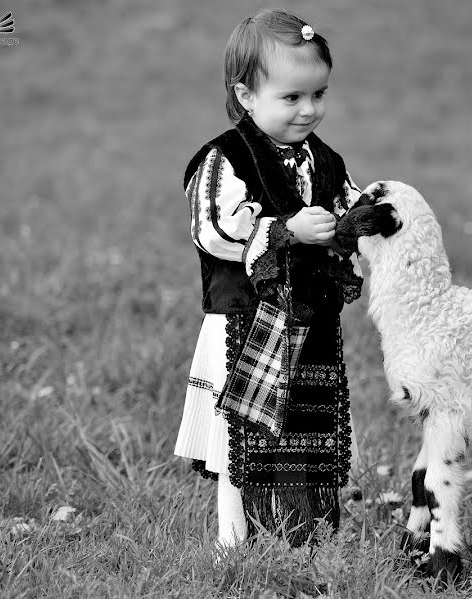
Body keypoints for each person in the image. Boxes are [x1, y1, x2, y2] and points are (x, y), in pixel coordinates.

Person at [173, 9, 364, 549]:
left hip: (310, 322)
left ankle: (305, 541)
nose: (309, 110)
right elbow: (214, 231)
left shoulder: (324, 160)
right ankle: (234, 545)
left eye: (318, 95)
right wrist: (287, 229)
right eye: (292, 98)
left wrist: (352, 223)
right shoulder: (225, 158)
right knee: (248, 440)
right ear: (247, 95)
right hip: (246, 321)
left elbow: (345, 207)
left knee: (306, 435)